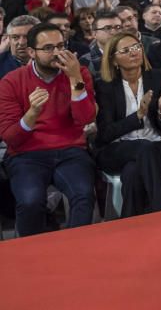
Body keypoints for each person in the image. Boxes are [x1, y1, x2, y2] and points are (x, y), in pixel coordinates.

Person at [0, 22, 97, 236]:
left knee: (83, 195)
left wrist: (75, 79)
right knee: (30, 202)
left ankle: (76, 248)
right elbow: (10, 137)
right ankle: (30, 256)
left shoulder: (78, 73)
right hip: (26, 154)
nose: (57, 53)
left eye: (61, 46)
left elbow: (85, 117)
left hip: (71, 151)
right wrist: (32, 113)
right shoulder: (11, 82)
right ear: (32, 52)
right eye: (48, 48)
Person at [94, 32, 161, 217]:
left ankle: (130, 224)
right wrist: (138, 116)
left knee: (133, 172)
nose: (134, 53)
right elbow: (105, 134)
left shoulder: (158, 78)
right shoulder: (105, 87)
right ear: (114, 60)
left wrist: (160, 110)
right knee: (144, 148)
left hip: (158, 144)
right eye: (126, 50)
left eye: (137, 47)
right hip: (117, 149)